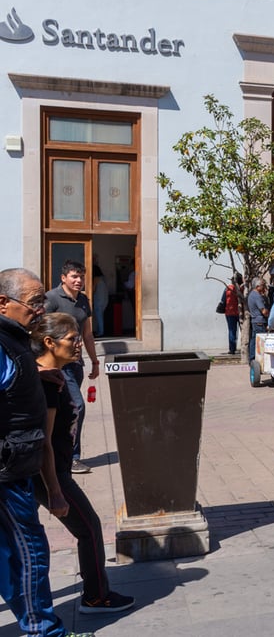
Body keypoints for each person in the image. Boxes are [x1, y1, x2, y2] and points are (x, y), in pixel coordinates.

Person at [0, 267, 95, 637]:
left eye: (42, 300)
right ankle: (44, 630)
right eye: (33, 302)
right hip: (9, 469)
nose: (40, 309)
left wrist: (33, 376)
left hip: (14, 464)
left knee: (12, 553)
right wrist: (54, 489)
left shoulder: (14, 339)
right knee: (29, 552)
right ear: (3, 303)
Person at [31, 313, 134, 614]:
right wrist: (55, 491)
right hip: (49, 473)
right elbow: (44, 443)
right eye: (72, 339)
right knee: (89, 527)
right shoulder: (48, 384)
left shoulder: (50, 375)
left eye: (79, 337)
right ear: (49, 342)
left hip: (47, 471)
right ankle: (96, 597)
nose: (79, 344)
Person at [43, 259, 99, 476]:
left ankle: (58, 454)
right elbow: (41, 330)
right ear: (63, 278)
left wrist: (94, 361)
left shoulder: (84, 300)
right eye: (74, 276)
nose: (79, 280)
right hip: (58, 364)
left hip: (76, 364)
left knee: (65, 409)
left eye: (81, 276)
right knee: (76, 406)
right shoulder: (51, 298)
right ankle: (72, 458)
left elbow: (87, 334)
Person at [247, 278, 269, 362]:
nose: (264, 287)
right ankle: (256, 358)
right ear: (257, 286)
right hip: (260, 321)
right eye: (262, 285)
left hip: (255, 321)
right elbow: (263, 311)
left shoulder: (251, 294)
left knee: (254, 340)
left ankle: (252, 358)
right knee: (260, 341)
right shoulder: (257, 296)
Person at [220, 272, 242, 355]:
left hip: (229, 312)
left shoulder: (228, 288)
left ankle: (232, 349)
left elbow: (223, 300)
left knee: (232, 330)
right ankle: (245, 347)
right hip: (240, 312)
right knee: (243, 330)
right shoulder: (242, 289)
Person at [91, 265, 108, 338]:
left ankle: (100, 332)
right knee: (100, 316)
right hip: (104, 298)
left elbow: (93, 289)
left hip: (98, 299)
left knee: (99, 317)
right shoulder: (103, 278)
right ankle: (99, 331)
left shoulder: (96, 278)